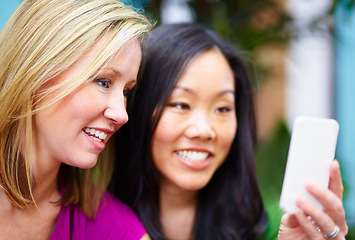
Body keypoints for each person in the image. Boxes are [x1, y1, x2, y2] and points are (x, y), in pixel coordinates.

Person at [110, 23, 348, 240]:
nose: (204, 130)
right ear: (138, 108)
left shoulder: (277, 229)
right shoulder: (91, 224)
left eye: (223, 108)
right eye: (181, 104)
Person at [0, 0, 151, 239]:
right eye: (104, 82)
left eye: (126, 92)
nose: (122, 115)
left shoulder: (115, 228)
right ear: (37, 71)